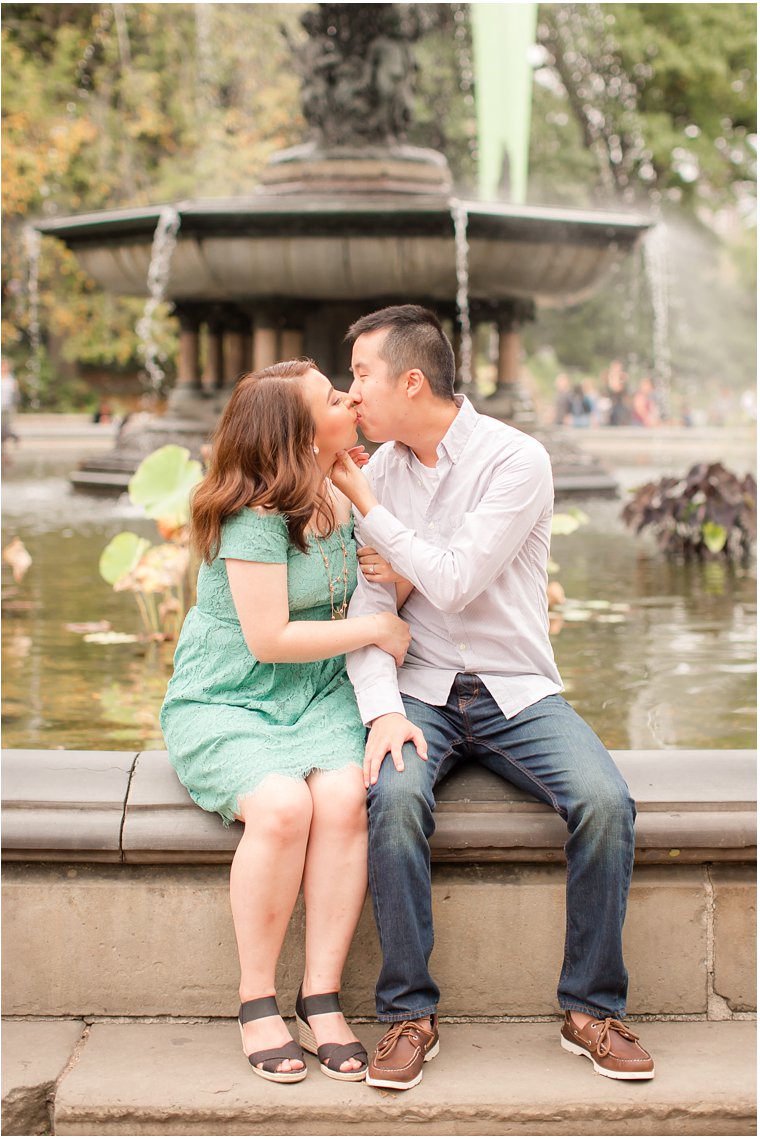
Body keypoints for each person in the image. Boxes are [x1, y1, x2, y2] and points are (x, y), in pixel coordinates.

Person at [332, 304, 652, 1091]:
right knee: (394, 796)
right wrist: (384, 712)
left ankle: (591, 1009)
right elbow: (370, 612)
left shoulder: (516, 460)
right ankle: (409, 1013)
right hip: (424, 692)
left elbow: (452, 578)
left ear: (412, 379)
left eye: (361, 375)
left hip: (517, 688)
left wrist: (378, 523)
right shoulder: (378, 472)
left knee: (607, 803)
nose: (352, 394)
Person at [159, 359, 419, 1084]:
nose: (353, 398)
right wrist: (374, 634)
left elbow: (380, 577)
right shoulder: (254, 515)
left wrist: (392, 580)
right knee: (280, 807)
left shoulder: (344, 483)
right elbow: (268, 638)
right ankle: (255, 999)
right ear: (300, 434)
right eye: (336, 398)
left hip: (316, 694)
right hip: (231, 695)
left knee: (343, 797)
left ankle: (320, 995)